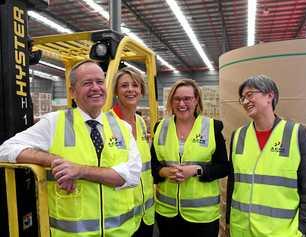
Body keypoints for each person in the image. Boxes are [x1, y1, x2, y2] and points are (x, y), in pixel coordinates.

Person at [0, 60, 142, 237]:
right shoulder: (55, 122)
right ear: (72, 91)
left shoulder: (122, 127)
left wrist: (80, 171)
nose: (96, 88)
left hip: (121, 232)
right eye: (87, 83)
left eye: (99, 82)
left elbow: (133, 175)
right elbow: (6, 149)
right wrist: (55, 161)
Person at [227, 75, 306, 237]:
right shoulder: (238, 135)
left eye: (250, 95)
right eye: (242, 98)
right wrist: (227, 221)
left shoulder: (296, 133)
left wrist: (305, 229)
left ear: (270, 96)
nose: (245, 101)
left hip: (281, 232)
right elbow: (233, 182)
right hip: (241, 230)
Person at [151, 79, 229, 237]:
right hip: (167, 214)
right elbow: (152, 166)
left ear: (196, 100)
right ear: (171, 102)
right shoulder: (160, 127)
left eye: (187, 98)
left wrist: (197, 170)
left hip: (202, 217)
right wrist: (164, 172)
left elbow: (223, 167)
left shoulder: (212, 127)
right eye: (177, 99)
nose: (181, 104)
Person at [111, 67, 155, 237]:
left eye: (135, 85)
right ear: (116, 90)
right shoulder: (107, 123)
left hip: (146, 214)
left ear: (141, 90)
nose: (130, 89)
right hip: (123, 218)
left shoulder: (141, 122)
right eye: (124, 86)